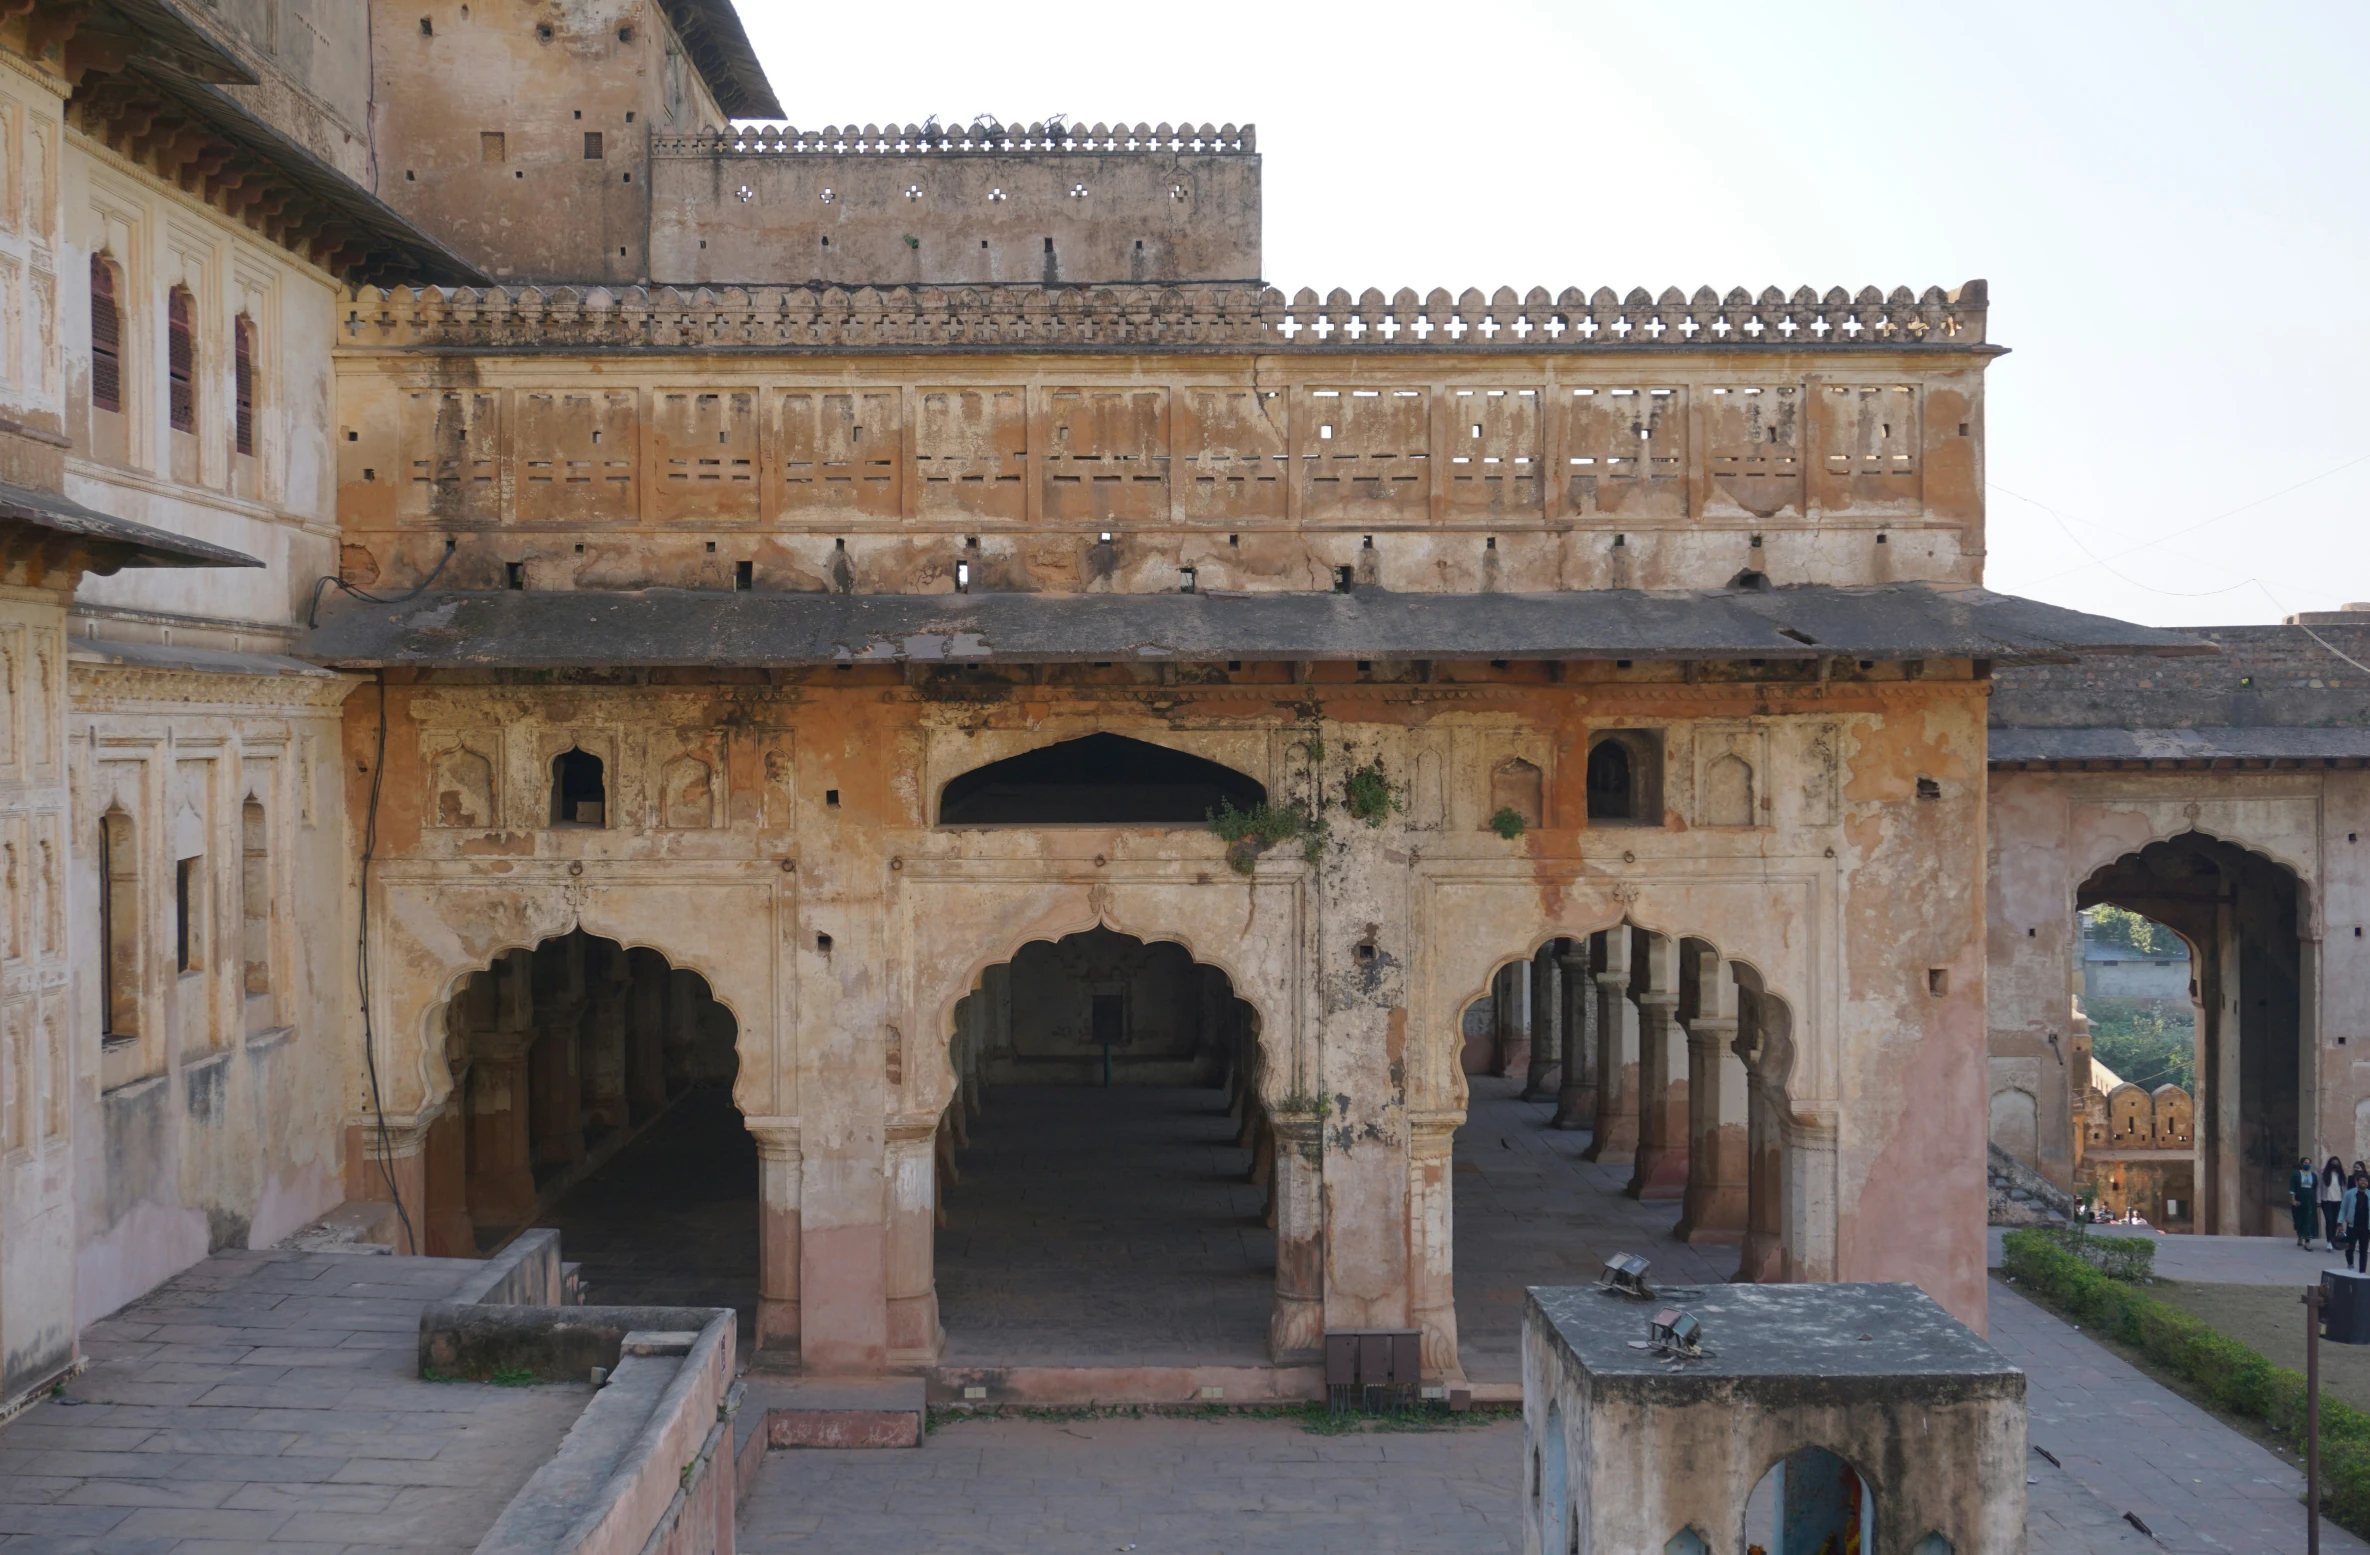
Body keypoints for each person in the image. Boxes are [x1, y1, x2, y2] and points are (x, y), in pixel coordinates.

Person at [2343, 1169, 2370, 1274]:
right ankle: (2350, 1265)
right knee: (2350, 1248)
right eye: (2361, 1180)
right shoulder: (2349, 1194)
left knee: (2364, 1250)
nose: (2363, 1183)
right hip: (2352, 1225)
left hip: (2366, 1227)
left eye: (2366, 1181)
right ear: (2357, 1182)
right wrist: (2340, 1222)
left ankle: (2362, 1271)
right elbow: (2343, 1208)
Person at [2295, 1158, 2322, 1249]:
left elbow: (2316, 1188)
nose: (2307, 1164)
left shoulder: (2313, 1175)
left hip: (2310, 1199)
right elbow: (2292, 1188)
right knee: (2300, 1218)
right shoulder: (2296, 1174)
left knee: (2309, 1219)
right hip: (2300, 1198)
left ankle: (2307, 1241)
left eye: (2309, 1163)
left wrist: (2318, 1200)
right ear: (2302, 1164)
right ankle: (2300, 1235)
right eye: (2305, 1163)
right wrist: (2293, 1199)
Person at [2326, 1156, 2349, 1250]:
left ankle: (2332, 1240)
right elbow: (2320, 1188)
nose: (2335, 1164)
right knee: (2329, 1220)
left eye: (2336, 1163)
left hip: (2339, 1201)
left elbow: (2344, 1189)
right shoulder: (2324, 1173)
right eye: (2333, 1162)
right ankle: (2328, 1241)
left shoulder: (2341, 1175)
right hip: (2327, 1201)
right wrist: (2318, 1200)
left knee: (2336, 1221)